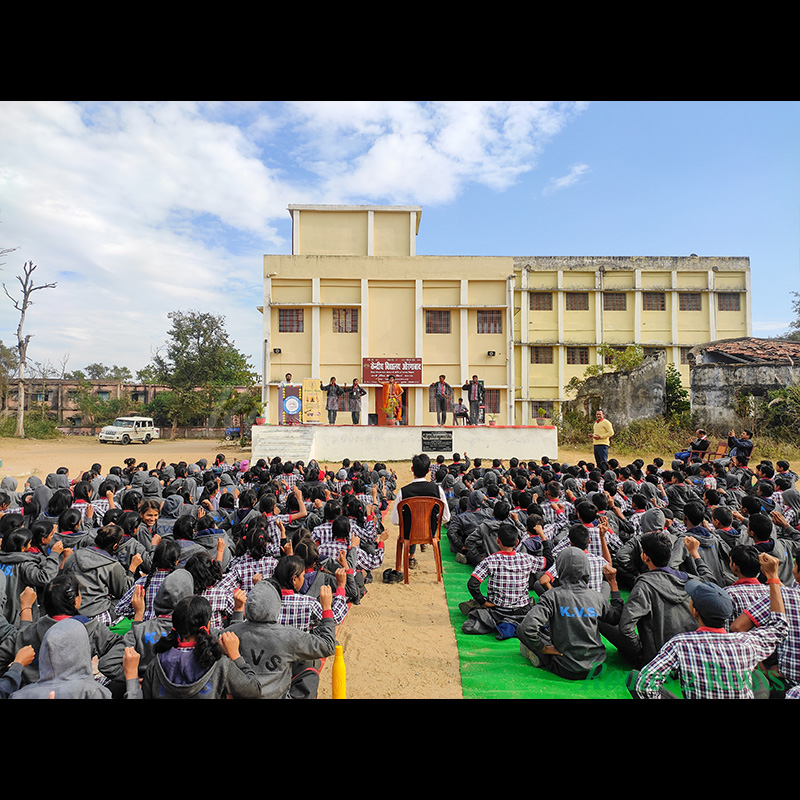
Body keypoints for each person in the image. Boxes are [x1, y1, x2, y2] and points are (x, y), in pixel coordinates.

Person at [630, 553, 788, 699]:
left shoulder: (680, 644)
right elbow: (779, 627)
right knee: (758, 677)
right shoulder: (748, 642)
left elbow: (643, 685)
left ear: (695, 611)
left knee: (634, 678)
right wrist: (773, 577)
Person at [517, 548, 624, 680]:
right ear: (586, 569)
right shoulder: (596, 597)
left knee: (521, 630)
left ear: (559, 568)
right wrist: (613, 584)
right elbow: (615, 618)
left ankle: (541, 655)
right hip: (596, 668)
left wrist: (543, 648)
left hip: (564, 668)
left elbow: (526, 628)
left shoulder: (552, 596)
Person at [390, 453, 451, 569]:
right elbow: (446, 517)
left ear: (412, 469)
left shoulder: (403, 492)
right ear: (428, 471)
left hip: (409, 534)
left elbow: (395, 520)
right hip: (431, 532)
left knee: (409, 523)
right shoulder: (437, 490)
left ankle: (407, 560)